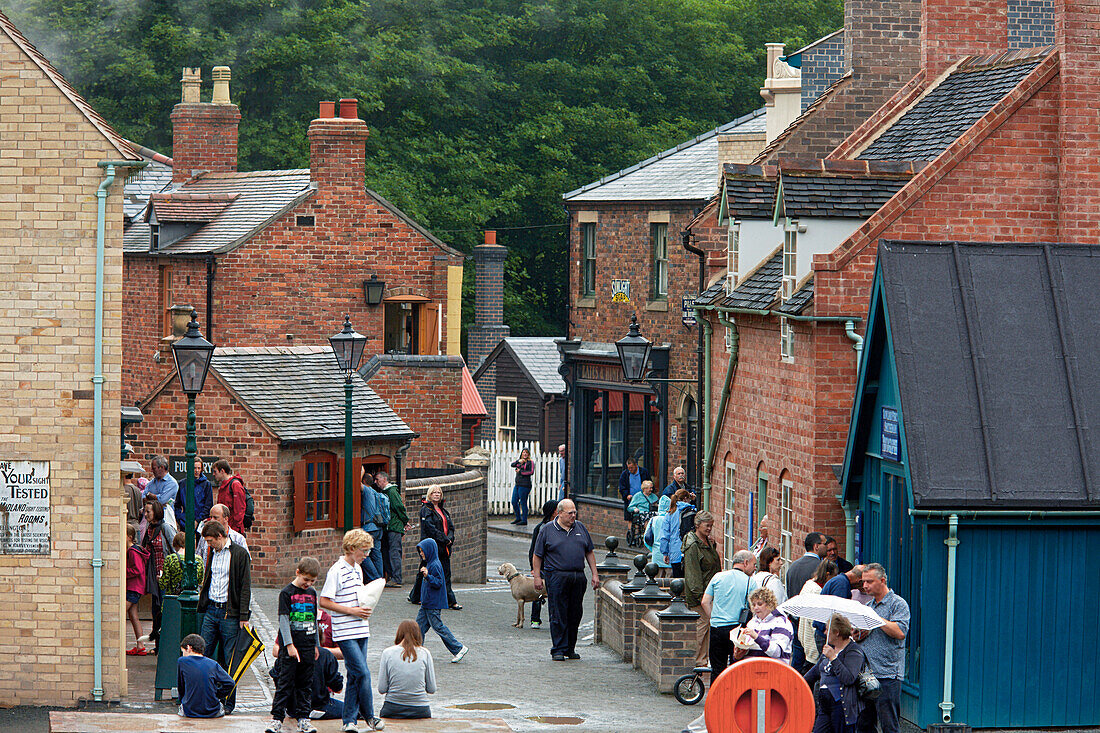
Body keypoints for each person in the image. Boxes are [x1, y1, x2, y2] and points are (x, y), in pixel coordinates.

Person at [319, 529, 384, 733]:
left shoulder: (357, 569)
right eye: (364, 551)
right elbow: (324, 600)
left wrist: (366, 606)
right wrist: (352, 611)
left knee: (356, 675)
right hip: (345, 632)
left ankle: (349, 720)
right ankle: (369, 716)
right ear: (352, 548)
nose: (366, 555)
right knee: (362, 673)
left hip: (361, 629)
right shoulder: (336, 570)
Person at [532, 498, 599, 661]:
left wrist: (595, 574)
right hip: (556, 575)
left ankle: (570, 648)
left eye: (575, 512)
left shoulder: (580, 527)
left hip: (577, 576)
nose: (573, 515)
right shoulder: (547, 530)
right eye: (570, 513)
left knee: (575, 613)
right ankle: (558, 649)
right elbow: (537, 555)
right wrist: (537, 577)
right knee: (558, 613)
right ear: (560, 513)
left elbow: (589, 552)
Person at [197, 520, 252, 715]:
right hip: (212, 610)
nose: (208, 545)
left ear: (221, 536)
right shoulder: (213, 553)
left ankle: (228, 702)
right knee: (201, 653)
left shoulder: (239, 554)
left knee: (230, 660)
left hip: (230, 614)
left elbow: (245, 586)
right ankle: (203, 696)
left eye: (211, 541)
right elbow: (209, 579)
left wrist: (243, 616)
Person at [267, 557, 322, 733]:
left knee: (305, 683)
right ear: (298, 573)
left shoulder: (312, 593)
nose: (308, 584)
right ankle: (277, 718)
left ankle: (304, 717)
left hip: (307, 644)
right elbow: (283, 620)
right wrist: (289, 645)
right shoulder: (286, 593)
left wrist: (316, 645)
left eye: (312, 581)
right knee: (285, 683)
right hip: (291, 646)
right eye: (306, 579)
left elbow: (314, 619)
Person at [855, 563, 910, 733]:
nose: (865, 586)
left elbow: (900, 632)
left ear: (883, 580)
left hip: (888, 674)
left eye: (869, 582)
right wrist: (858, 633)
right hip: (866, 674)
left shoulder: (897, 604)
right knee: (864, 724)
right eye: (863, 582)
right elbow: (857, 636)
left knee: (889, 725)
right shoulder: (868, 606)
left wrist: (876, 619)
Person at [701, 549, 755, 684]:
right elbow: (755, 608)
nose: (755, 568)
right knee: (736, 668)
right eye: (754, 564)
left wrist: (714, 618)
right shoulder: (750, 582)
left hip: (717, 628)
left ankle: (715, 700)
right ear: (745, 562)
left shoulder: (718, 577)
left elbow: (705, 602)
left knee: (717, 669)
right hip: (737, 630)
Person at [805, 614, 866, 733]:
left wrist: (833, 658)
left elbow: (849, 678)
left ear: (837, 632)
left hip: (841, 706)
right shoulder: (829, 648)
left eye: (827, 629)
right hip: (824, 704)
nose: (824, 631)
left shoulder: (854, 651)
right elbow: (815, 672)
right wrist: (797, 682)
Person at [415, 540, 469, 662]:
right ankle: (417, 650)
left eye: (422, 551)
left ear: (429, 550)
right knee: (418, 628)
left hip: (432, 603)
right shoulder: (431, 563)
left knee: (438, 627)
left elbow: (439, 582)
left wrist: (427, 576)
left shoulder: (435, 565)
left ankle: (458, 648)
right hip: (427, 603)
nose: (421, 553)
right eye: (420, 551)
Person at [408, 485, 460, 610]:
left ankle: (416, 596)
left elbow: (451, 527)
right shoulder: (425, 510)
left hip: (444, 547)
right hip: (432, 546)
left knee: (443, 572)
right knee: (427, 570)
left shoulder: (444, 511)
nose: (437, 495)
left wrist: (450, 539)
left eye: (438, 493)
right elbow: (430, 528)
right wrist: (444, 538)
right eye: (434, 493)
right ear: (429, 495)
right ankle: (450, 600)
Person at [682, 510, 719, 666]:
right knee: (701, 628)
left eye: (711, 525)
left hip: (709, 594)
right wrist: (702, 599)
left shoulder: (706, 541)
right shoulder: (693, 546)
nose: (709, 528)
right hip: (701, 597)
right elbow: (693, 576)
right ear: (697, 525)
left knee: (706, 628)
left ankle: (702, 660)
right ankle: (695, 661)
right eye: (707, 525)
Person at [378, 620, 436, 719]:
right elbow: (431, 689)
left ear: (399, 633)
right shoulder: (425, 653)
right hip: (420, 709)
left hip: (392, 708)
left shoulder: (387, 653)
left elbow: (382, 689)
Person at [786, 531, 826, 671]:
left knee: (797, 660)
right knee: (811, 663)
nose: (826, 547)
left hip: (795, 621)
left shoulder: (793, 566)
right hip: (811, 624)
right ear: (816, 546)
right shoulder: (820, 568)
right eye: (824, 544)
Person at [140, 497, 174, 653]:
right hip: (153, 576)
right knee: (156, 609)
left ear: (157, 512)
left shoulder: (165, 528)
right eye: (145, 511)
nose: (145, 514)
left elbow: (176, 549)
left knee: (163, 609)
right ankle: (158, 646)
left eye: (148, 511)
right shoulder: (148, 528)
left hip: (164, 576)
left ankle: (165, 646)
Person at [177, 634, 234, 719]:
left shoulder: (182, 661)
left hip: (190, 710)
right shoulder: (213, 664)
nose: (183, 655)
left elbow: (181, 686)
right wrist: (216, 694)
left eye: (183, 652)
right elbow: (230, 683)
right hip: (212, 711)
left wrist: (183, 700)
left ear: (188, 648)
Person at [814, 565, 865, 655]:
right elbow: (838, 616)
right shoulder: (842, 585)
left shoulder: (839, 580)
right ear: (860, 581)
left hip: (825, 633)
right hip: (827, 635)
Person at [736, 587, 794, 664]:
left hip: (773, 670)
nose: (756, 608)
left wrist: (756, 637)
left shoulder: (781, 623)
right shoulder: (752, 622)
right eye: (753, 605)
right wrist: (738, 654)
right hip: (751, 669)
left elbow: (777, 652)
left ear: (769, 604)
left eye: (760, 604)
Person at [799, 559, 838, 668]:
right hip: (812, 643)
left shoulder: (808, 585)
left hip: (804, 639)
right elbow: (814, 621)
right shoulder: (817, 592)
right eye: (833, 577)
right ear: (827, 575)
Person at [527, 499, 559, 629]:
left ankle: (555, 620)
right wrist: (533, 568)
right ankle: (535, 619)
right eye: (558, 509)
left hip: (555, 566)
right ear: (552, 512)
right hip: (542, 566)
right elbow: (533, 550)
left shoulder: (561, 527)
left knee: (555, 594)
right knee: (538, 593)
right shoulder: (540, 528)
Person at [378, 472, 409, 588]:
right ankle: (392, 576)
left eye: (378, 479)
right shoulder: (387, 492)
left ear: (384, 479)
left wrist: (405, 521)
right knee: (388, 552)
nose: (376, 482)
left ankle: (396, 578)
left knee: (394, 552)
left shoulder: (391, 491)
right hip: (389, 527)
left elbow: (399, 507)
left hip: (394, 526)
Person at [125, 523, 150, 656]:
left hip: (133, 588)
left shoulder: (132, 552)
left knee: (120, 613)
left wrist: (123, 571)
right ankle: (140, 646)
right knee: (133, 615)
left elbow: (138, 570)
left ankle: (119, 643)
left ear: (129, 537)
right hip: (135, 587)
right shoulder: (133, 550)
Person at [658, 488, 694, 577]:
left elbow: (664, 536)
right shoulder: (691, 511)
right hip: (690, 550)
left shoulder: (669, 514)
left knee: (677, 582)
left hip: (675, 552)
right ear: (685, 499)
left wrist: (665, 553)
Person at [160, 530, 206, 597]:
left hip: (172, 598)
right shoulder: (198, 559)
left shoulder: (170, 559)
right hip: (192, 597)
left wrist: (159, 579)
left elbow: (163, 584)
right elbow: (200, 580)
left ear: (175, 544)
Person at [175, 457, 213, 533]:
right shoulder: (182, 484)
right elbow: (177, 504)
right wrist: (180, 519)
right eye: (194, 468)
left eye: (199, 468)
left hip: (201, 523)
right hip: (185, 523)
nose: (197, 470)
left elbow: (208, 505)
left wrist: (198, 520)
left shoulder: (206, 484)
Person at [360, 468, 385, 582]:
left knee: (363, 554)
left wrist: (361, 470)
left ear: (364, 481)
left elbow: (357, 484)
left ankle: (374, 578)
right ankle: (380, 578)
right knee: (376, 553)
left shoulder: (367, 491)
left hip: (369, 528)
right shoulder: (376, 493)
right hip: (378, 527)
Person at [211, 459, 247, 534]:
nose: (214, 474)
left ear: (222, 471)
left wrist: (234, 530)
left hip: (232, 530)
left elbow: (239, 510)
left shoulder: (235, 485)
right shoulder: (223, 486)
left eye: (215, 471)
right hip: (224, 529)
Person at [510, 448, 535, 526]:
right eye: (524, 452)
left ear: (528, 454)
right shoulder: (520, 462)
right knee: (514, 501)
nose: (525, 454)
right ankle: (518, 518)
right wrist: (518, 461)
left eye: (526, 453)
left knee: (523, 502)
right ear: (521, 454)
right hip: (517, 484)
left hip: (525, 485)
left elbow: (531, 472)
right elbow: (512, 465)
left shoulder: (530, 462)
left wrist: (520, 472)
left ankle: (524, 520)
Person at [649, 494, 672, 574]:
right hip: (669, 554)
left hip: (656, 553)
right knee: (669, 582)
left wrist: (653, 549)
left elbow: (647, 537)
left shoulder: (653, 520)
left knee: (657, 580)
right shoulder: (671, 519)